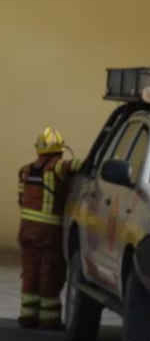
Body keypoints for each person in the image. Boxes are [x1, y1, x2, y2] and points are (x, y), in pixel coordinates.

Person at [17, 127, 83, 329]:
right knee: (50, 272)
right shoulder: (57, 167)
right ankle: (49, 319)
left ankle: (27, 315)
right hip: (49, 232)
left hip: (27, 230)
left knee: (30, 271)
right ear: (59, 150)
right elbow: (79, 165)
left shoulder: (25, 170)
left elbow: (22, 200)